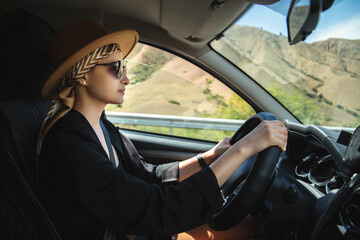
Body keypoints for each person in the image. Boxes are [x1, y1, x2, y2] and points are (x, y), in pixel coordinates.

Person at [37, 19, 288, 240]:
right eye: (116, 68)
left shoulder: (100, 126)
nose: (126, 78)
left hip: (137, 226)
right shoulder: (70, 143)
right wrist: (244, 149)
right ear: (83, 75)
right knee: (252, 231)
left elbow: (148, 176)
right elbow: (156, 209)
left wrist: (209, 157)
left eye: (124, 68)